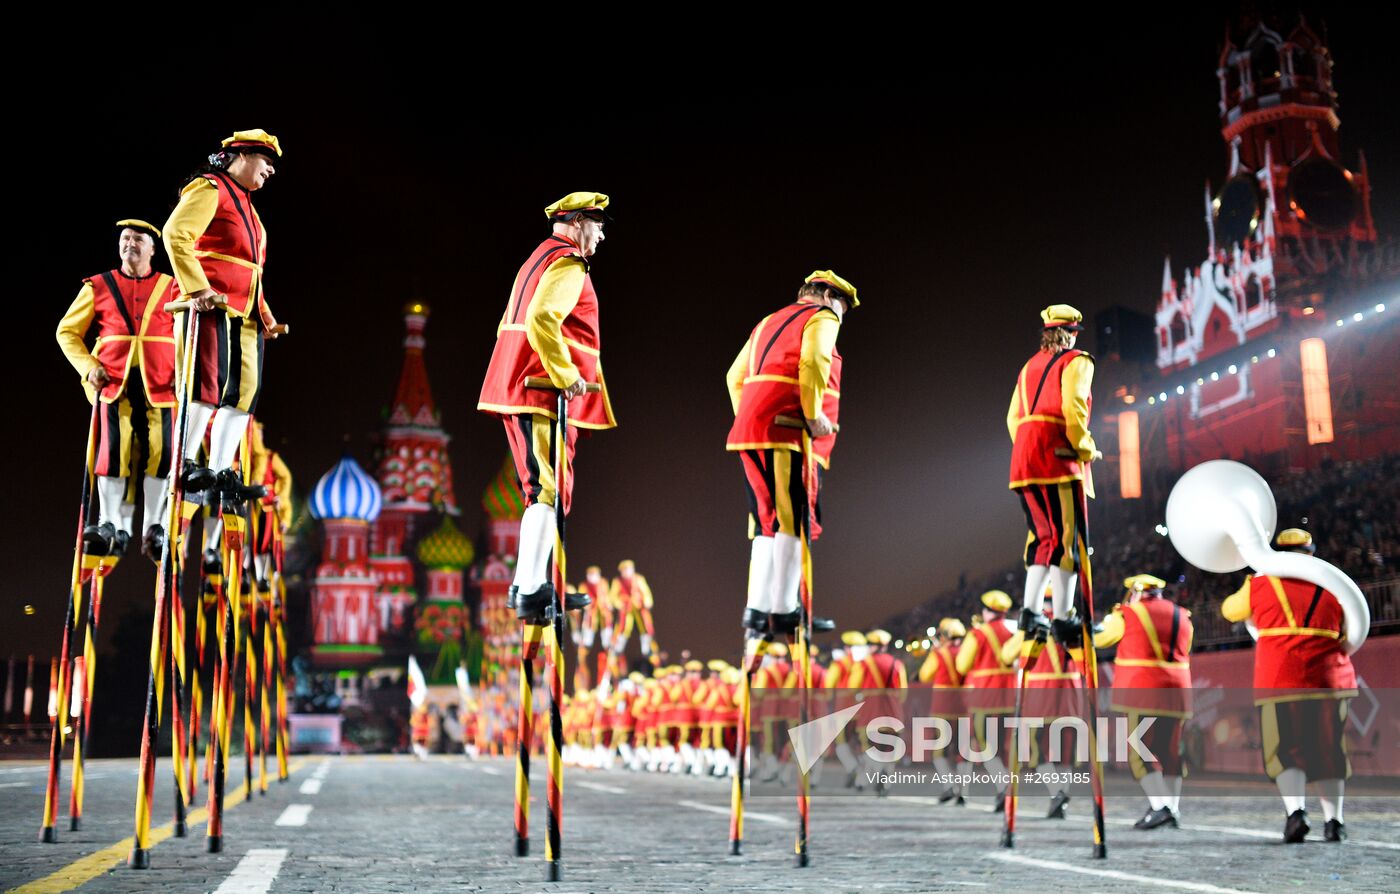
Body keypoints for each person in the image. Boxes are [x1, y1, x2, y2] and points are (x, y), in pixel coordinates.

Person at [478, 193, 615, 623]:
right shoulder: (569, 262)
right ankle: (531, 588)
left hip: (525, 384)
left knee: (545, 488)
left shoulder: (538, 258)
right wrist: (564, 372)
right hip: (538, 388)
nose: (603, 233)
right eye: (598, 224)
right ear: (577, 224)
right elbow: (542, 318)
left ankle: (536, 582)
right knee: (545, 489)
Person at [726, 271, 856, 638]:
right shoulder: (821, 317)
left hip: (750, 431)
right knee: (793, 517)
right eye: (843, 309)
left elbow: (733, 377)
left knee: (767, 520)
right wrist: (812, 415)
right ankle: (784, 608)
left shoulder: (769, 321)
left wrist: (752, 414)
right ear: (829, 298)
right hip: (785, 429)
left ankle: (758, 607)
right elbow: (814, 362)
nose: (841, 318)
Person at [163, 130, 285, 508]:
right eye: (267, 162)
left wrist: (265, 315)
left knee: (244, 393)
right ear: (243, 156)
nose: (270, 171)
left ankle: (219, 471)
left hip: (245, 313)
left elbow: (252, 270)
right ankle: (185, 463)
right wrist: (197, 290)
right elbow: (175, 234)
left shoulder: (249, 208)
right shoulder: (210, 188)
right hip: (211, 305)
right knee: (206, 385)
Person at [1221, 528, 1356, 843]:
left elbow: (1230, 611)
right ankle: (1334, 821)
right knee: (1329, 750)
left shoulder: (1260, 583)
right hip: (1330, 677)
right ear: (1312, 552)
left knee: (1285, 750)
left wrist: (1256, 574)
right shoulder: (1336, 584)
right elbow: (1353, 626)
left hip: (1280, 676)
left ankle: (1296, 814)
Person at [57, 220, 178, 558]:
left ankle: (155, 526)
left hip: (162, 382)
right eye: (125, 239)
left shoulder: (172, 287)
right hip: (113, 380)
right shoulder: (98, 285)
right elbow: (66, 332)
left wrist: (183, 373)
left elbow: (187, 332)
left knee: (165, 450)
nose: (130, 244)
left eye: (138, 239)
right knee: (112, 449)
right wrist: (89, 367)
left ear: (153, 248)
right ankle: (109, 521)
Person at [1006, 305, 1100, 642]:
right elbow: (1073, 408)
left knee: (1042, 537)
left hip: (1024, 460)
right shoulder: (1077, 360)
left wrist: (1029, 448)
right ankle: (1064, 615)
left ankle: (1030, 612)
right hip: (1056, 457)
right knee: (1066, 539)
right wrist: (1085, 447)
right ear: (1073, 333)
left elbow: (1012, 418)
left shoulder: (1028, 366)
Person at [1094, 573, 1193, 829]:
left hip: (1144, 690)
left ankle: (1160, 806)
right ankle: (1172, 807)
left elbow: (1101, 639)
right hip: (1178, 689)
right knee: (1170, 753)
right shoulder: (1182, 615)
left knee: (1141, 751)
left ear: (1136, 592)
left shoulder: (1127, 614)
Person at [956, 591, 1018, 810]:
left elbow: (962, 666)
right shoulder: (1014, 631)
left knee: (985, 745)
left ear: (987, 611)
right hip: (1009, 695)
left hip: (985, 695)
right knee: (1003, 746)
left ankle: (1003, 787)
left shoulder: (978, 634)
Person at [918, 618, 967, 804]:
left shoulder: (939, 654)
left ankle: (949, 786)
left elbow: (924, 676)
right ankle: (963, 792)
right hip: (964, 705)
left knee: (939, 751)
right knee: (963, 750)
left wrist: (934, 652)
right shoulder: (966, 651)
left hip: (943, 707)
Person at [611, 560, 658, 666]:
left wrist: (647, 601)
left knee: (645, 628)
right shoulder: (617, 581)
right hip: (626, 609)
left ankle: (647, 649)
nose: (627, 572)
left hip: (639, 607)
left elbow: (645, 591)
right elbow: (613, 596)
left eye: (629, 569)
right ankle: (618, 648)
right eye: (624, 569)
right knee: (623, 629)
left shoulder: (639, 579)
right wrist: (620, 604)